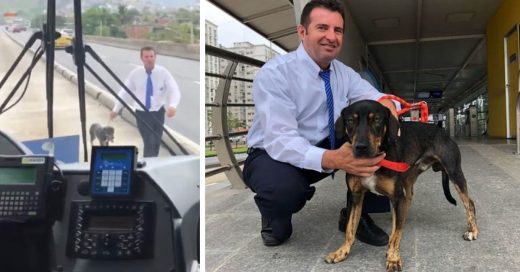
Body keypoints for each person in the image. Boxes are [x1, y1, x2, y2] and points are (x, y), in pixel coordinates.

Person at [243, 0, 398, 247]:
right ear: (302, 31)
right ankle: (273, 213)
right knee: (283, 193)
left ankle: (354, 214)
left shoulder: (343, 73)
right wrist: (332, 159)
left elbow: (378, 98)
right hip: (272, 154)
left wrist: (389, 109)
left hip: (326, 144)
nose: (331, 37)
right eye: (322, 28)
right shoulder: (275, 74)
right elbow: (280, 139)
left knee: (376, 136)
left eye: (338, 30)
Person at [110, 46, 181, 157]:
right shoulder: (135, 74)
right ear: (141, 58)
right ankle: (149, 166)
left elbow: (174, 90)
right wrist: (116, 109)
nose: (149, 59)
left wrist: (172, 106)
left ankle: (153, 163)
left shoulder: (163, 73)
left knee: (157, 142)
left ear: (155, 57)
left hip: (158, 112)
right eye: (146, 56)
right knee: (149, 141)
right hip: (142, 113)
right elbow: (124, 92)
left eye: (151, 56)